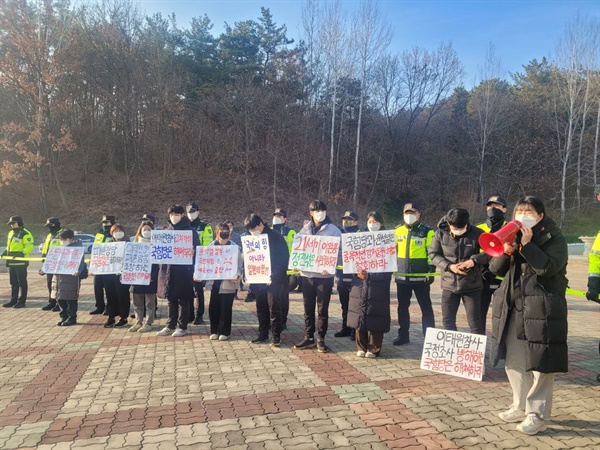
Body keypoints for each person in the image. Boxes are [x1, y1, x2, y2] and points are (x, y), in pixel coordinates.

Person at [489, 196, 568, 436]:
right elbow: (495, 270)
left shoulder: (554, 238)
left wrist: (527, 245)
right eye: (519, 210)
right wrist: (506, 251)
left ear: (541, 216)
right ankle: (519, 405)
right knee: (514, 360)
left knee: (541, 363)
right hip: (514, 305)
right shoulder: (510, 234)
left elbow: (547, 268)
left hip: (542, 308)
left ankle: (537, 414)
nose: (523, 214)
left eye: (529, 211)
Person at [429, 208, 489, 335]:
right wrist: (449, 266)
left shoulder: (478, 233)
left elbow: (490, 252)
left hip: (472, 285)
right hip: (449, 285)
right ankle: (452, 351)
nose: (457, 231)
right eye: (454, 228)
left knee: (475, 323)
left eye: (461, 228)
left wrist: (474, 260)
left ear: (467, 223)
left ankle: (477, 354)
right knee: (447, 321)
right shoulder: (439, 233)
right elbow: (433, 254)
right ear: (449, 223)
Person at [294, 200, 342, 353]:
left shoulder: (334, 230)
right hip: (307, 277)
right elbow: (298, 250)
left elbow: (341, 253)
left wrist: (331, 265)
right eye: (316, 210)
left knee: (322, 309)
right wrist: (296, 262)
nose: (319, 212)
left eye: (322, 209)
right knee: (308, 308)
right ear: (311, 212)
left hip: (324, 277)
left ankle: (321, 338)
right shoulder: (304, 230)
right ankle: (309, 336)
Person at [347, 212, 393, 358]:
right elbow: (350, 261)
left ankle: (373, 348)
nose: (372, 224)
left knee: (376, 316)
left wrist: (373, 275)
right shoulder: (359, 238)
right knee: (359, 315)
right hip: (360, 284)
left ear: (381, 223)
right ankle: (361, 346)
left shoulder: (387, 240)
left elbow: (390, 266)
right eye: (370, 221)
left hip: (378, 286)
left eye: (376, 221)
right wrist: (357, 272)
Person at [393, 203, 436, 346]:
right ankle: (403, 335)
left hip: (420, 278)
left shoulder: (427, 231)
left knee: (426, 308)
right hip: (402, 277)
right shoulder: (397, 231)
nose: (409, 215)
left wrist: (430, 271)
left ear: (418, 214)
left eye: (412, 212)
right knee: (402, 308)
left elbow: (432, 253)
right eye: (406, 212)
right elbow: (391, 252)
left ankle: (429, 339)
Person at [245, 214, 290, 347]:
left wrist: (274, 276)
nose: (252, 233)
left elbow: (283, 259)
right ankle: (262, 333)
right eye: (250, 231)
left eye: (253, 229)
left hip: (274, 280)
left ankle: (276, 336)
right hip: (259, 278)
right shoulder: (253, 239)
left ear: (260, 224)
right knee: (261, 307)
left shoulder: (275, 236)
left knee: (274, 307)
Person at [157, 204, 200, 337]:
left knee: (184, 299)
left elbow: (198, 250)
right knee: (171, 298)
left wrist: (193, 253)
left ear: (182, 215)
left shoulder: (190, 231)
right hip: (168, 270)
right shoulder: (166, 231)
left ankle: (182, 326)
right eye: (171, 214)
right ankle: (170, 324)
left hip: (184, 270)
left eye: (176, 214)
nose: (173, 216)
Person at [39, 229, 87, 326]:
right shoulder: (57, 249)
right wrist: (44, 270)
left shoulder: (77, 250)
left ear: (71, 239)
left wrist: (78, 271)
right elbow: (50, 261)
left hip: (71, 278)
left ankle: (71, 317)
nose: (63, 241)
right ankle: (63, 317)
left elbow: (81, 263)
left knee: (70, 299)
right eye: (61, 239)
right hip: (58, 278)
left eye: (65, 239)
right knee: (60, 298)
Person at [204, 223, 243, 341]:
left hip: (228, 282)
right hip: (215, 281)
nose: (224, 235)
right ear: (216, 233)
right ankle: (214, 330)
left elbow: (239, 266)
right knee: (213, 307)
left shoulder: (235, 248)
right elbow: (204, 263)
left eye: (226, 232)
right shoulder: (210, 247)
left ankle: (225, 331)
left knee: (226, 307)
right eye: (222, 232)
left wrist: (237, 275)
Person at [476, 195, 508, 335]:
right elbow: (473, 253)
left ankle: (501, 347)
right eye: (490, 205)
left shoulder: (510, 228)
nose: (493, 208)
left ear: (504, 209)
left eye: (497, 206)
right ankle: (479, 348)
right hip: (482, 278)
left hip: (503, 279)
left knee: (502, 315)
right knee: (478, 315)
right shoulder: (478, 229)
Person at [335, 211, 361, 340]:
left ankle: (354, 329)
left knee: (355, 304)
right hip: (341, 274)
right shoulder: (338, 233)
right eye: (344, 219)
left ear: (356, 221)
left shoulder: (361, 234)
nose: (346, 222)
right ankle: (345, 327)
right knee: (344, 303)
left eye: (349, 220)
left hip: (356, 276)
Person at [129, 221, 159, 333]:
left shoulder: (156, 245)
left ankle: (148, 323)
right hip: (136, 278)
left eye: (149, 230)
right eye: (144, 230)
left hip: (150, 278)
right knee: (137, 302)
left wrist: (153, 276)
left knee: (149, 303)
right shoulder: (134, 245)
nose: (146, 232)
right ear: (140, 231)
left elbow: (158, 264)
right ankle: (138, 321)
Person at [188, 202, 213, 325]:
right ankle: (189, 314)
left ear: (198, 212)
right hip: (185, 263)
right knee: (187, 290)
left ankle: (199, 315)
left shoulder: (205, 227)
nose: (191, 214)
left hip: (198, 262)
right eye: (188, 212)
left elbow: (207, 246)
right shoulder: (184, 226)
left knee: (198, 290)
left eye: (193, 211)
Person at [271, 208, 296, 329]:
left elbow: (295, 251)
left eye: (280, 216)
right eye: (275, 215)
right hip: (271, 271)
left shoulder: (290, 232)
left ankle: (283, 321)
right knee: (271, 297)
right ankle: (273, 320)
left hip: (285, 270)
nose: (277, 217)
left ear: (285, 219)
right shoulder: (267, 231)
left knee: (283, 297)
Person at [2, 216, 34, 308]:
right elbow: (10, 245)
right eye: (10, 224)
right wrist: (6, 251)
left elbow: (29, 246)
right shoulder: (11, 233)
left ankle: (22, 301)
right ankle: (13, 300)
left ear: (19, 223)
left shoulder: (25, 233)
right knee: (13, 282)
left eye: (13, 223)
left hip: (21, 262)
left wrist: (22, 253)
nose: (11, 225)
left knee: (22, 282)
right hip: (11, 261)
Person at [103, 224, 130, 328]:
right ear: (111, 233)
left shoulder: (128, 244)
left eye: (120, 230)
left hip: (122, 275)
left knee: (122, 296)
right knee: (110, 296)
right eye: (115, 231)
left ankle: (123, 317)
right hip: (109, 274)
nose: (118, 232)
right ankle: (111, 317)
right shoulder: (107, 245)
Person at [90, 215, 115, 315]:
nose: (105, 224)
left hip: (110, 266)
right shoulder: (99, 234)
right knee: (97, 287)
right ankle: (99, 306)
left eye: (107, 222)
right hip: (98, 265)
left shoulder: (115, 233)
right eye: (103, 222)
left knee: (109, 289)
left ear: (112, 222)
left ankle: (109, 307)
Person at [40, 217, 64, 311]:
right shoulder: (50, 235)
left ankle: (59, 303)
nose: (49, 228)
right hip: (49, 262)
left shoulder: (62, 233)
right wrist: (44, 259)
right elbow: (46, 248)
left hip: (58, 262)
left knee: (58, 284)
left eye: (51, 225)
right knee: (50, 283)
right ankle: (52, 302)